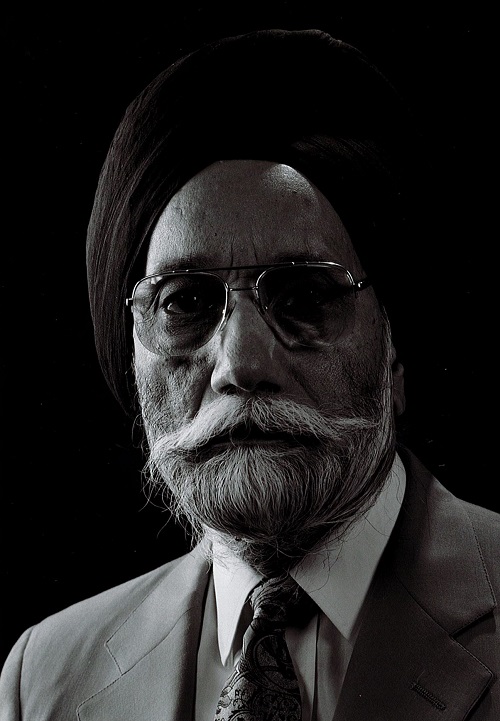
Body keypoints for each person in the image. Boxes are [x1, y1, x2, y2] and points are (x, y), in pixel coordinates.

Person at [1, 27, 498, 721]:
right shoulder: (48, 678)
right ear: (132, 349)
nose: (240, 364)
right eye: (186, 303)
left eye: (302, 297)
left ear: (395, 344)